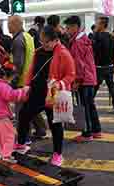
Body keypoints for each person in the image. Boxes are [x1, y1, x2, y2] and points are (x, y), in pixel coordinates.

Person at [15, 25, 76, 166]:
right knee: (24, 114)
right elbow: (32, 70)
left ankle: (58, 154)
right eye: (41, 41)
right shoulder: (39, 52)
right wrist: (27, 85)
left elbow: (71, 75)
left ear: (55, 40)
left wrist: (60, 84)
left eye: (46, 42)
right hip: (36, 92)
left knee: (55, 123)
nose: (43, 44)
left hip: (52, 94)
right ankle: (21, 144)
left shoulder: (63, 53)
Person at [8, 15, 47, 140]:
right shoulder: (28, 36)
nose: (8, 26)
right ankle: (41, 129)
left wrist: (12, 81)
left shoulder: (18, 40)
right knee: (31, 107)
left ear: (16, 24)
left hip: (21, 81)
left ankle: (24, 137)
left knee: (21, 112)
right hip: (30, 79)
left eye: (9, 24)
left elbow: (18, 64)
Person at [63, 16, 101, 142]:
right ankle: (96, 130)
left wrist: (77, 81)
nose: (67, 31)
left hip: (83, 80)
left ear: (75, 27)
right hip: (90, 77)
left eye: (68, 28)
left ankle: (87, 133)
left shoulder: (77, 43)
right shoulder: (84, 39)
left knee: (84, 106)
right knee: (90, 105)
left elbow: (79, 64)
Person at [0, 63, 29, 163]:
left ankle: (2, 153)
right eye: (11, 78)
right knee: (9, 135)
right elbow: (11, 96)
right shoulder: (2, 86)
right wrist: (23, 91)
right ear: (5, 76)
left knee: (0, 136)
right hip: (1, 116)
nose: (11, 81)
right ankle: (6, 155)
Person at [92, 16, 114, 114]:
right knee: (111, 86)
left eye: (98, 23)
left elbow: (93, 51)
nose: (96, 25)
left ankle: (89, 104)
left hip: (99, 66)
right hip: (109, 66)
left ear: (102, 24)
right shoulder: (111, 36)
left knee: (94, 87)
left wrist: (95, 32)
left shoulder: (97, 36)